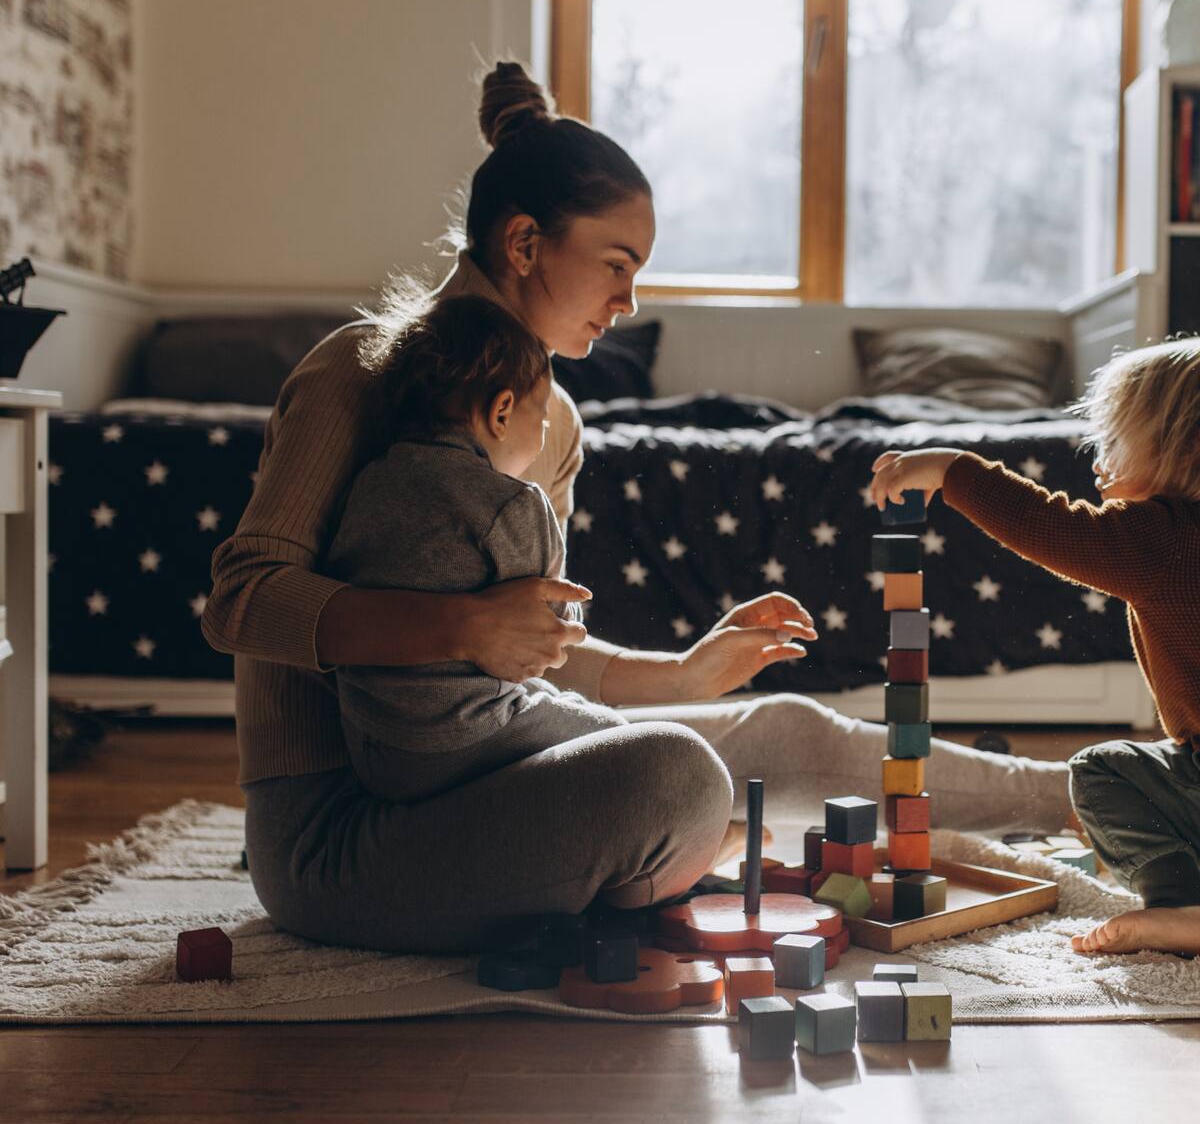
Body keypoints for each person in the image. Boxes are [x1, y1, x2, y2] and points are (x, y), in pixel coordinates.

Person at [203, 60, 1072, 955]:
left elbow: (532, 651)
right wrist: (460, 626)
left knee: (778, 727)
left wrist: (684, 675)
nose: (628, 303)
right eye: (617, 266)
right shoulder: (357, 369)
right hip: (339, 835)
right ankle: (648, 865)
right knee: (672, 780)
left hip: (487, 767)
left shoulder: (556, 423)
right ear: (525, 243)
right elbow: (241, 600)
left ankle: (1081, 798)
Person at [869, 337, 1200, 957]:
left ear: (1180, 448)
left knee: (1103, 772)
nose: (1098, 462)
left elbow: (1051, 524)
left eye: (1114, 443)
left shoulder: (1165, 538)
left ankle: (1182, 907)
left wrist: (951, 469)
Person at [326, 294, 634, 805]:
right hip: (465, 734)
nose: (540, 440)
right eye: (541, 423)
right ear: (502, 411)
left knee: (543, 702)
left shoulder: (369, 481)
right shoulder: (512, 502)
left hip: (374, 747)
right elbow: (554, 621)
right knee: (623, 739)